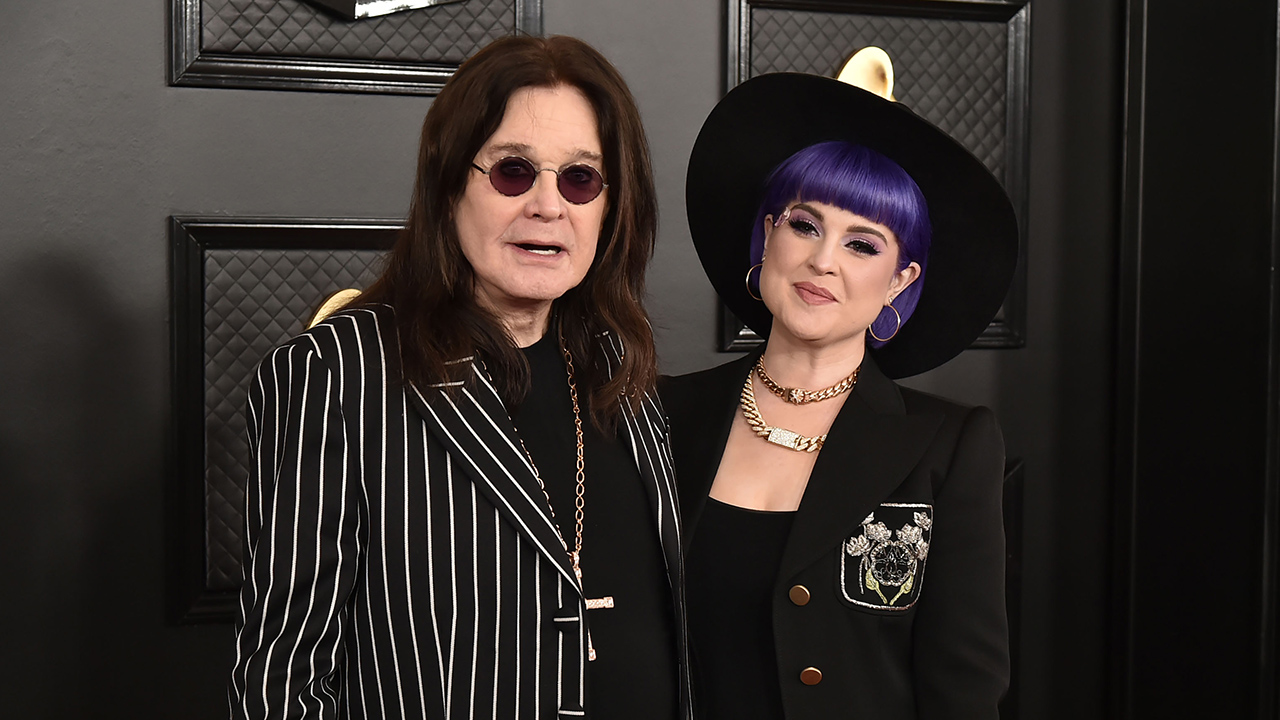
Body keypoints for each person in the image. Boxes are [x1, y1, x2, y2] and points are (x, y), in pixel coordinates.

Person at [229, 35, 689, 720]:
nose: (547, 205)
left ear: (610, 207)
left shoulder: (625, 371)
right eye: (512, 171)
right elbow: (282, 686)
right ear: (449, 189)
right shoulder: (338, 376)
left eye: (580, 179)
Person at [663, 72, 1018, 718]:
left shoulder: (950, 448)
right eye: (805, 225)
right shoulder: (659, 414)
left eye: (862, 244)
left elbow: (964, 692)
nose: (824, 260)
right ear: (767, 234)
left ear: (899, 279)